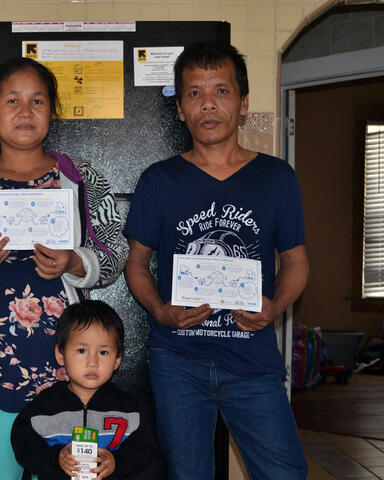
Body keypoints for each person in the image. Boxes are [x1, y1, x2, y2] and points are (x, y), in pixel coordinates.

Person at [0, 57, 128, 480]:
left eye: (37, 100)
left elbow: (115, 252)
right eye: (12, 99)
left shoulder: (81, 179)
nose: (25, 110)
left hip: (73, 379)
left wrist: (76, 261)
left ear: (52, 111)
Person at [123, 41, 309, 479]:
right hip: (178, 362)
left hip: (253, 362)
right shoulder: (159, 180)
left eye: (222, 91)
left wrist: (276, 307)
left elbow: (297, 260)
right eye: (194, 93)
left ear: (243, 104)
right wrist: (160, 310)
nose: (208, 104)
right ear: (181, 110)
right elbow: (136, 264)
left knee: (285, 473)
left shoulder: (276, 178)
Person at [11, 300, 152, 480]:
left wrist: (117, 461)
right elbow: (24, 445)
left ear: (117, 360)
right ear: (60, 355)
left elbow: (145, 449)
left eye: (103, 352)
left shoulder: (129, 408)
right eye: (82, 350)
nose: (92, 362)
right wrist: (55, 458)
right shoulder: (44, 405)